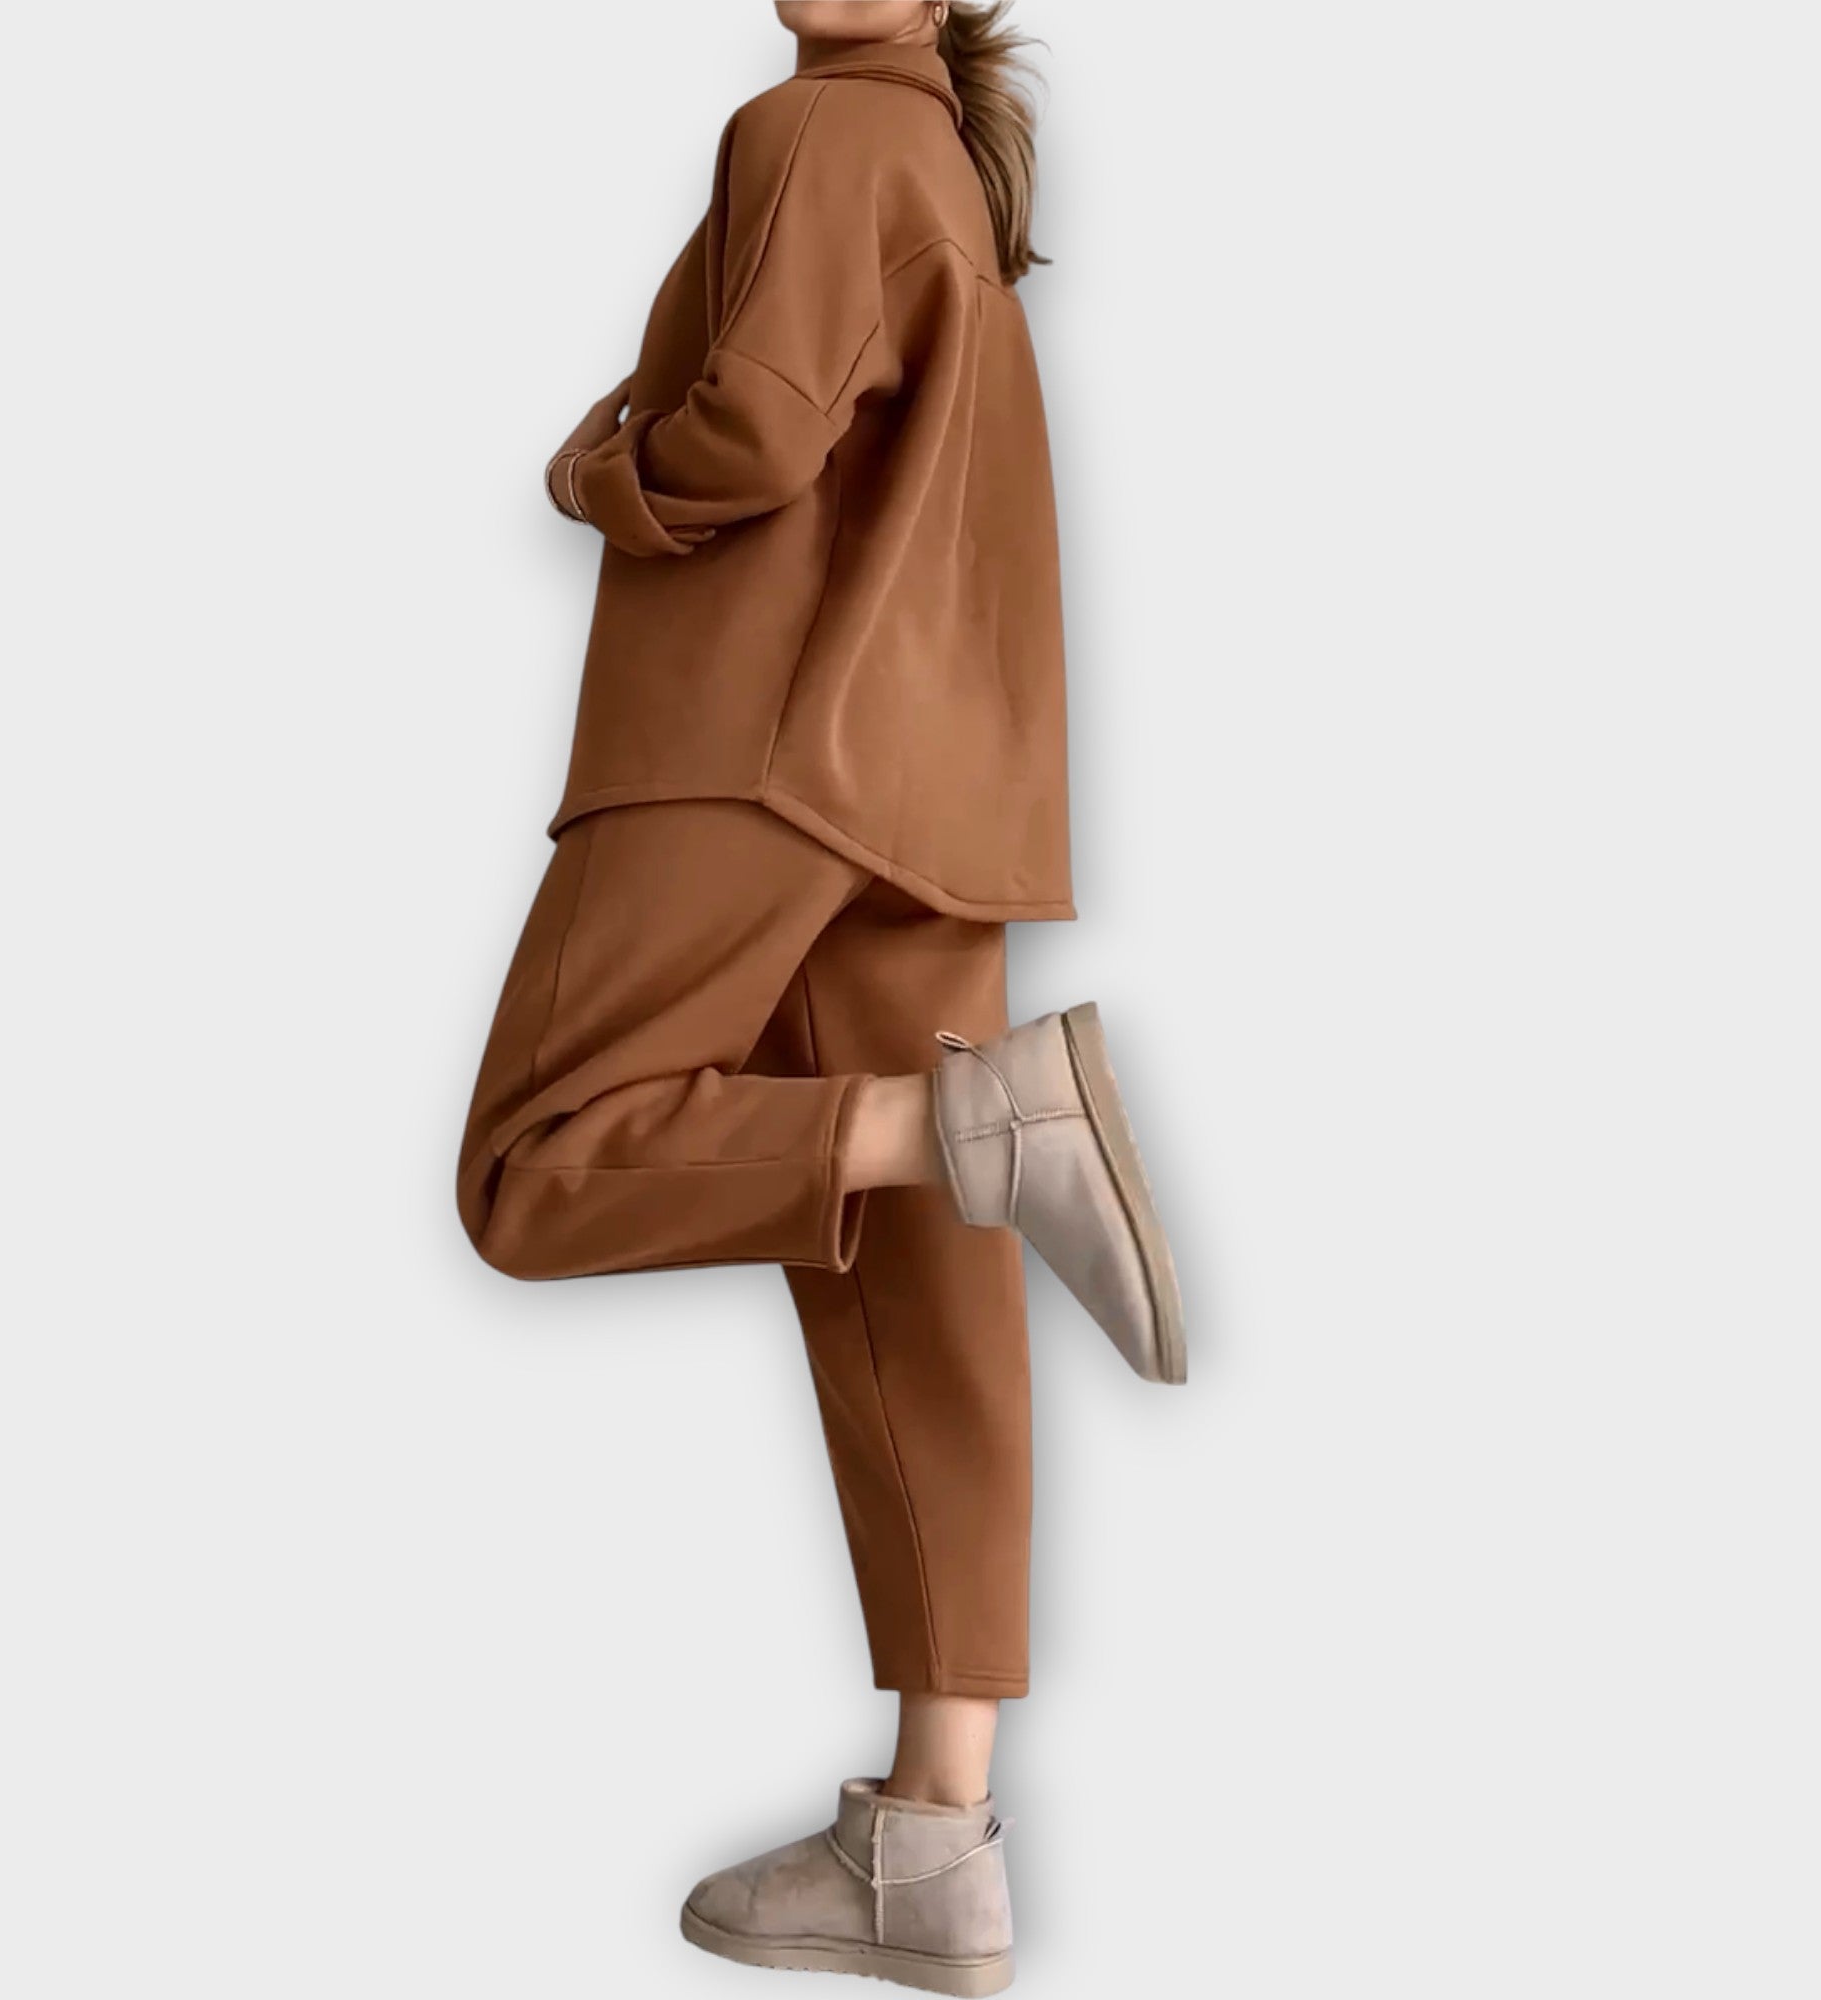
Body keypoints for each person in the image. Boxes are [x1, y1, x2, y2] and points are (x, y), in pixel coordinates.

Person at [455, 3, 1185, 1989]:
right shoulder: (939, 161)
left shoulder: (813, 133)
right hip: (931, 776)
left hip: (751, 741)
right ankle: (935, 1844)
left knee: (537, 1166)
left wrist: (603, 468)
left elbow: (755, 436)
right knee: (922, 1282)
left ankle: (975, 1118)